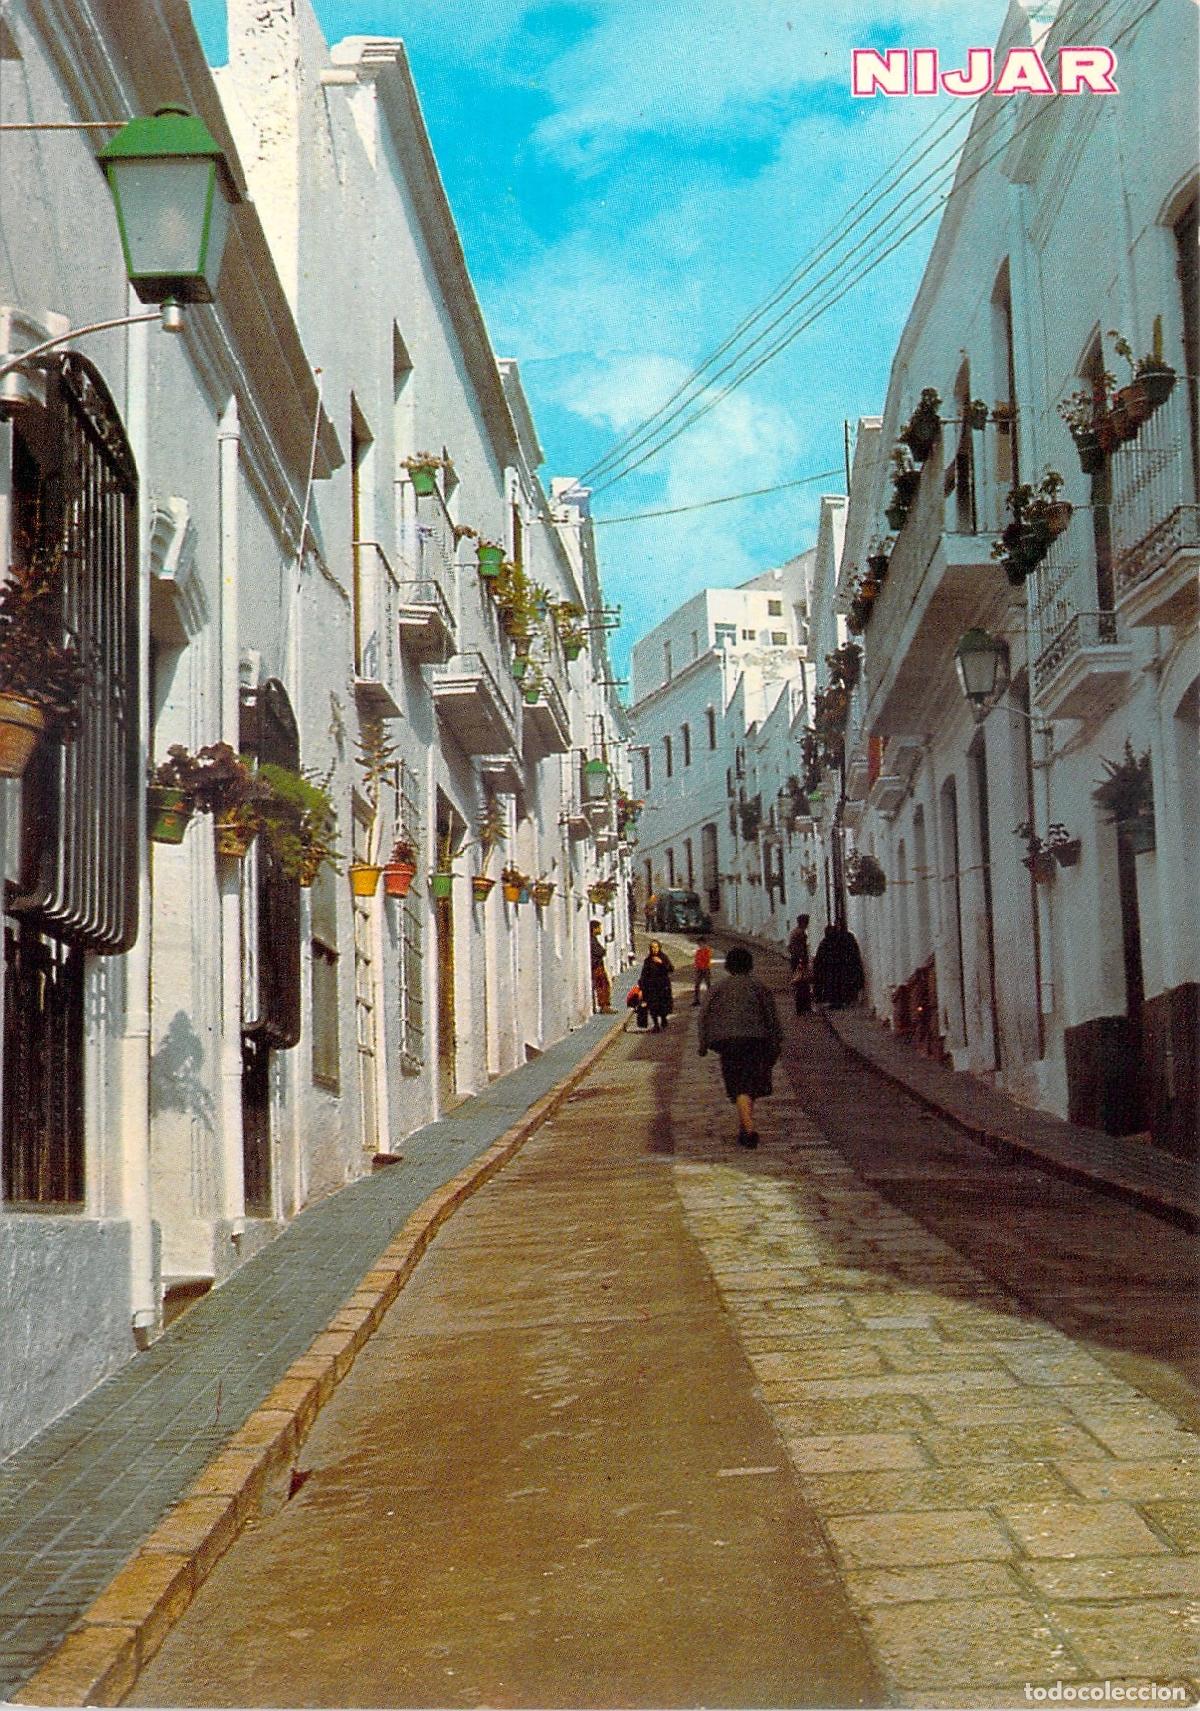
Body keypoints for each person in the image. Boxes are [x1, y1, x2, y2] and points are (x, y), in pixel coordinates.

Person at [698, 945, 783, 1149]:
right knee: (748, 1084)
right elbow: (772, 1018)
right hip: (755, 1040)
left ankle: (746, 1127)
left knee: (739, 1084)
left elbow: (704, 1016)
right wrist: (775, 1043)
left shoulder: (718, 988)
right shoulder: (759, 987)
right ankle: (748, 1128)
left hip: (728, 1042)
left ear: (728, 966)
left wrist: (703, 1043)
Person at [811, 920, 865, 1010]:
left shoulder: (841, 938)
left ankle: (839, 1001)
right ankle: (840, 1001)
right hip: (839, 967)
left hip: (840, 967)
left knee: (838, 985)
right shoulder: (842, 938)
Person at [639, 940, 674, 1031]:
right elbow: (644, 974)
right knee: (652, 1006)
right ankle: (656, 1024)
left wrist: (661, 963)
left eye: (656, 947)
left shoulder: (663, 957)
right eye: (652, 947)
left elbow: (670, 969)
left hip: (663, 986)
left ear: (659, 948)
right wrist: (641, 987)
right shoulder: (648, 960)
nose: (654, 949)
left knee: (663, 1005)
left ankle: (663, 1019)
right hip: (651, 987)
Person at [787, 914, 812, 1016]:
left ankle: (802, 1007)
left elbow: (790, 947)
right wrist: (802, 961)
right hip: (799, 961)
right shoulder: (800, 933)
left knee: (800, 984)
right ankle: (803, 1007)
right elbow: (801, 949)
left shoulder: (794, 932)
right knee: (802, 984)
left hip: (795, 960)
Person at [590, 921, 612, 1013]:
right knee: (602, 985)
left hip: (598, 964)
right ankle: (604, 1006)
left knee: (604, 984)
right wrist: (602, 951)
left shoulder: (593, 939)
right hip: (596, 966)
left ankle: (605, 1005)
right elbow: (600, 951)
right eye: (599, 927)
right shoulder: (592, 940)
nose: (601, 930)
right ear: (594, 929)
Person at [692, 938, 713, 1006]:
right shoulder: (699, 951)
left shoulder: (707, 951)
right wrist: (696, 967)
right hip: (699, 969)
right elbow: (696, 960)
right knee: (697, 985)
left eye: (701, 944)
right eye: (699, 944)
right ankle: (697, 1000)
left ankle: (710, 1000)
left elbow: (706, 960)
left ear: (704, 943)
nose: (700, 945)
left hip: (705, 969)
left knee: (708, 985)